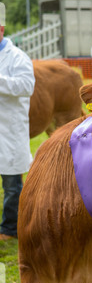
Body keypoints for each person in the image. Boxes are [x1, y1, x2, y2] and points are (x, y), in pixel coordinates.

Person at [0, 18, 35, 241]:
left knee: (12, 184)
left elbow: (26, 85)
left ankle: (10, 229)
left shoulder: (17, 57)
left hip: (9, 130)